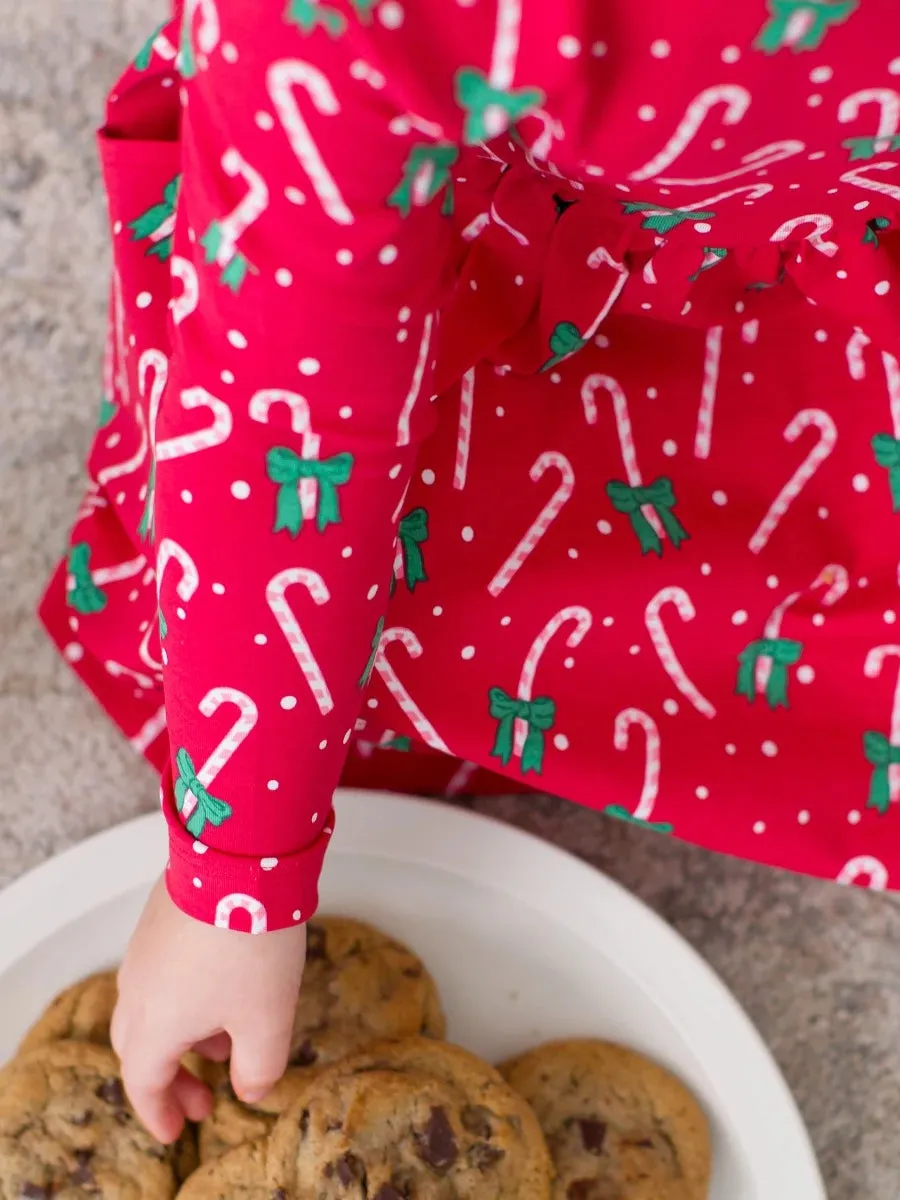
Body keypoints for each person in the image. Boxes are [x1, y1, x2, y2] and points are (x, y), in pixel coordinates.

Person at [40, 0, 900, 1144]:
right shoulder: (351, 26)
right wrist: (235, 875)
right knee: (309, 632)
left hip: (836, 313)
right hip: (459, 277)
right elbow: (285, 406)